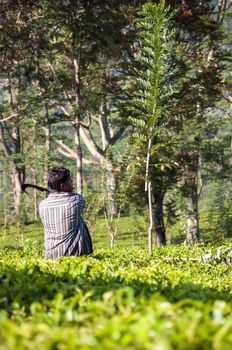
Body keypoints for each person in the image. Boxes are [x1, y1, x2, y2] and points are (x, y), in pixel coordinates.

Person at [39, 166, 93, 259]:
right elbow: (82, 202)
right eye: (70, 181)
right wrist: (70, 191)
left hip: (51, 256)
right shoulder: (75, 200)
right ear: (62, 186)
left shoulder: (42, 205)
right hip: (73, 256)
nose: (72, 183)